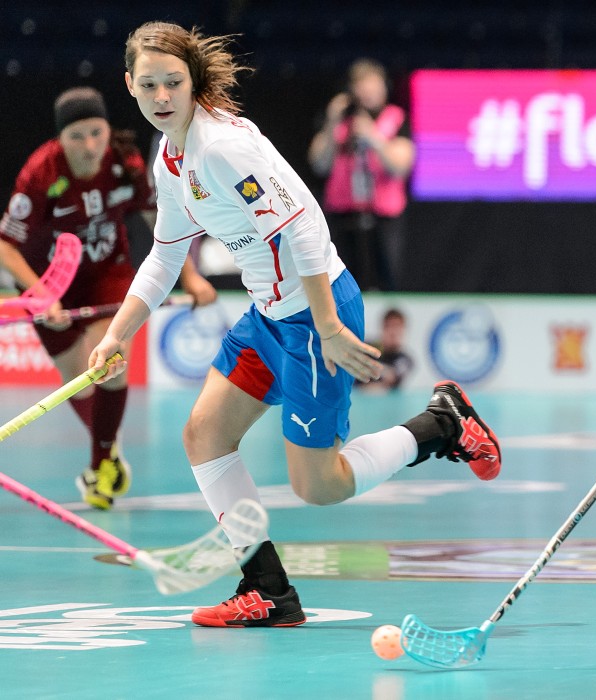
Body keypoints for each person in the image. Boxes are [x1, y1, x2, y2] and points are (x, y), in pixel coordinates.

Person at [90, 21, 501, 627]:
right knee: (204, 434)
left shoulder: (221, 148)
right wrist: (116, 333)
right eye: (148, 84)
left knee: (320, 485)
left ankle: (441, 423)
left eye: (172, 82)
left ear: (192, 80)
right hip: (267, 317)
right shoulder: (170, 157)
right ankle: (267, 591)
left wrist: (329, 326)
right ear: (129, 84)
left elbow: (302, 227)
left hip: (314, 315)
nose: (160, 96)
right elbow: (166, 252)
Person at [0, 86, 217, 510]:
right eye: (77, 136)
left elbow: (160, 217)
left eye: (96, 132)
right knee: (76, 383)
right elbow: (6, 245)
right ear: (60, 138)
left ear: (107, 129)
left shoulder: (125, 161)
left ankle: (101, 464)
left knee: (109, 365)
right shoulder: (40, 174)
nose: (90, 146)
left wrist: (191, 278)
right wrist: (42, 294)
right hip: (46, 279)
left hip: (108, 271)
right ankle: (109, 453)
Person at [307, 59, 414, 292]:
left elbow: (401, 165)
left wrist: (373, 137)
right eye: (362, 86)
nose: (367, 93)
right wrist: (332, 121)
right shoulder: (341, 122)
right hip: (343, 216)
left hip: (383, 218)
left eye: (373, 86)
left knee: (387, 281)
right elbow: (318, 163)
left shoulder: (396, 118)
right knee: (341, 282)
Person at [363, 307, 414, 393]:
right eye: (390, 326)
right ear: (383, 328)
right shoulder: (367, 348)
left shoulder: (405, 360)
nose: (393, 332)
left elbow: (391, 378)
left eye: (397, 327)